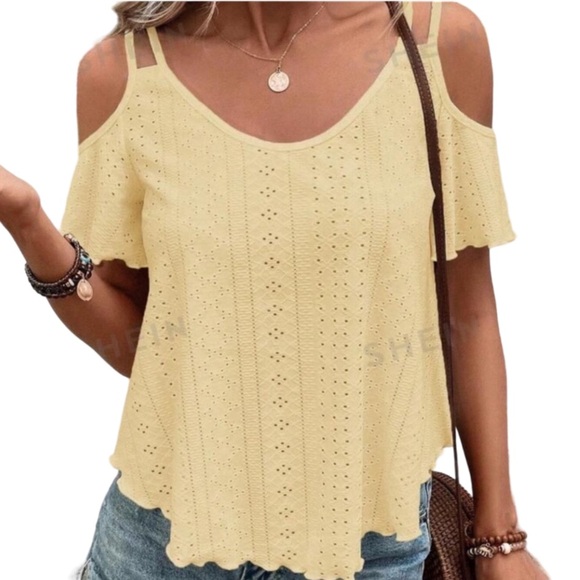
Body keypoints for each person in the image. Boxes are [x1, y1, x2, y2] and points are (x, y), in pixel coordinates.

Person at [0, 2, 550, 579]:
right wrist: (28, 222)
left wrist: (500, 536)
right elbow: (145, 348)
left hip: (370, 547)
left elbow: (467, 308)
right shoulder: (122, 74)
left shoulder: (438, 44)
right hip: (159, 543)